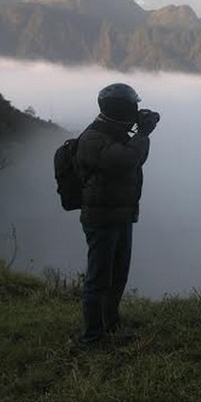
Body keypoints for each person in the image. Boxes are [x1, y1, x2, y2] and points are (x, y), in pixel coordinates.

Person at [75, 82, 159, 347]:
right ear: (121, 108)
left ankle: (111, 324)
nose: (136, 110)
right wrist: (143, 133)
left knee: (117, 275)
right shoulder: (93, 138)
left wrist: (141, 126)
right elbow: (126, 161)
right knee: (99, 279)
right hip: (102, 220)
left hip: (120, 215)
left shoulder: (114, 131)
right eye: (132, 106)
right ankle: (92, 337)